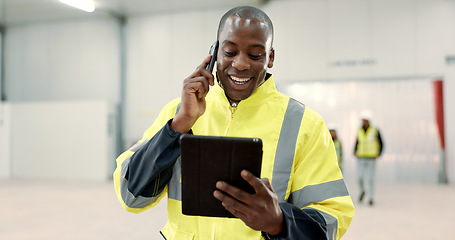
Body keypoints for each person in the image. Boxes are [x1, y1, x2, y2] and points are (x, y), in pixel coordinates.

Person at [113, 6, 354, 240]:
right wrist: (179, 125)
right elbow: (130, 196)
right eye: (229, 52)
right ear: (214, 53)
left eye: (255, 54)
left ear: (270, 58)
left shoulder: (305, 124)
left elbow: (332, 218)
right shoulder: (177, 113)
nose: (240, 64)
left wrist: (280, 222)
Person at [354, 110, 383, 206]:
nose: (363, 122)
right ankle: (362, 191)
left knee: (370, 179)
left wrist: (379, 153)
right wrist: (354, 151)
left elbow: (381, 143)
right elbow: (357, 142)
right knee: (359, 177)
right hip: (361, 157)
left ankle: (371, 198)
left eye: (365, 120)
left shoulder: (375, 130)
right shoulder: (359, 130)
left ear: (369, 121)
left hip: (371, 158)